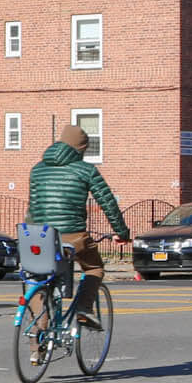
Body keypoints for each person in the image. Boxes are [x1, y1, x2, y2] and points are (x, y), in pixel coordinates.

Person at [26, 124, 129, 330]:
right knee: (94, 268)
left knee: (37, 278)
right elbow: (107, 202)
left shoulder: (37, 169)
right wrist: (122, 232)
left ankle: (37, 340)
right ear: (80, 149)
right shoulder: (86, 170)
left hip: (38, 236)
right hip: (72, 235)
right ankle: (84, 309)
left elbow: (32, 206)